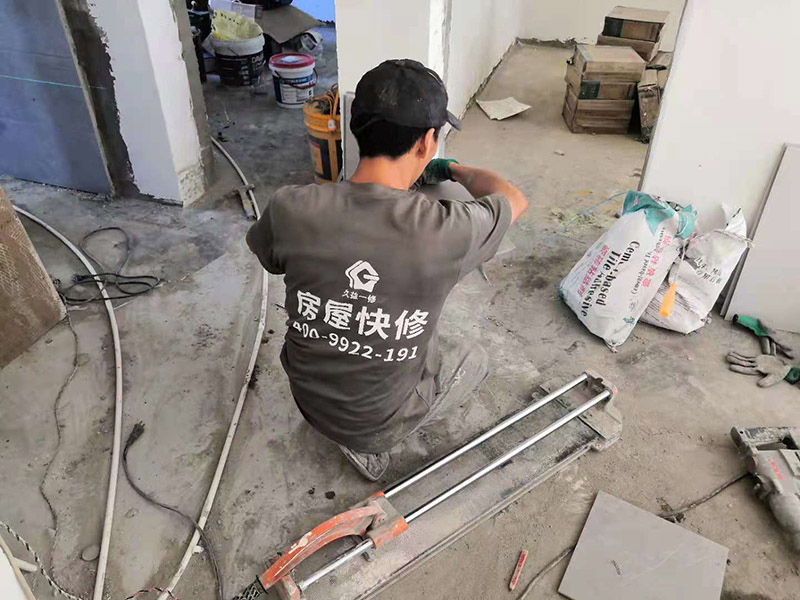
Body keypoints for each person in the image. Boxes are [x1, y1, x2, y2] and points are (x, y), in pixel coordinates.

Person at [246, 59, 528, 481]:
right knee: (472, 357)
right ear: (427, 142)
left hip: (308, 399)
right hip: (374, 423)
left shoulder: (290, 206)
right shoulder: (447, 230)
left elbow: (269, 257)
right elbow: (513, 199)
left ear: (355, 127)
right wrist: (453, 170)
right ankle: (370, 443)